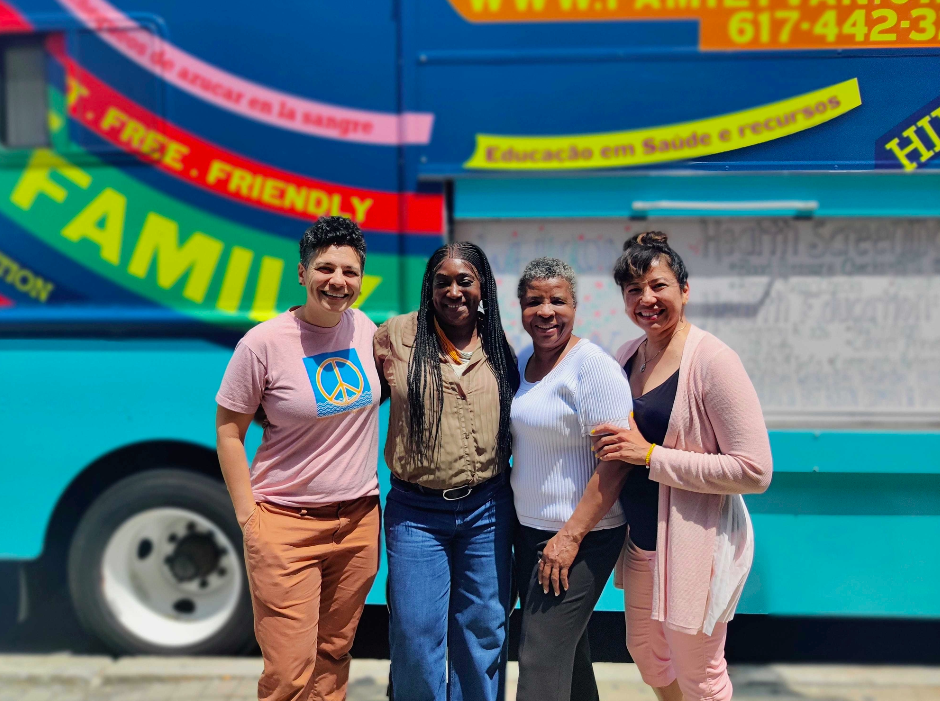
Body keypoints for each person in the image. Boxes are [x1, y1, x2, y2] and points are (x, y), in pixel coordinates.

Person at [590, 231, 773, 701]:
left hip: (696, 545)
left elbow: (754, 470)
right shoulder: (628, 355)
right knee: (648, 654)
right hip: (642, 543)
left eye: (658, 286)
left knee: (701, 675)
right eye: (634, 290)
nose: (646, 299)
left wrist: (650, 456)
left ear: (684, 290)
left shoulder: (713, 361)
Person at [215, 217, 381, 701]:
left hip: (356, 522)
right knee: (288, 672)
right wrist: (250, 519)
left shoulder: (365, 328)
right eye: (325, 268)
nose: (338, 282)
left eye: (350, 271)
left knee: (333, 657)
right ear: (302, 273)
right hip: (285, 523)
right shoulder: (263, 343)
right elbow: (229, 431)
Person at [373, 242, 520, 701]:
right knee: (416, 637)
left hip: (487, 509)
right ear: (429, 287)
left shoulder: (498, 344)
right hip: (416, 512)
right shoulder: (394, 336)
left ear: (484, 288)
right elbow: (349, 395)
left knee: (483, 632)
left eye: (465, 281)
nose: (453, 291)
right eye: (443, 281)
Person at [510, 257, 634, 701]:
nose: (546, 312)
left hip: (581, 539)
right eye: (534, 302)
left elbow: (616, 463)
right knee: (569, 657)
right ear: (520, 309)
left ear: (574, 307)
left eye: (557, 301)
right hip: (530, 533)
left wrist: (570, 537)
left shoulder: (592, 368)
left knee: (540, 659)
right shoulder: (524, 360)